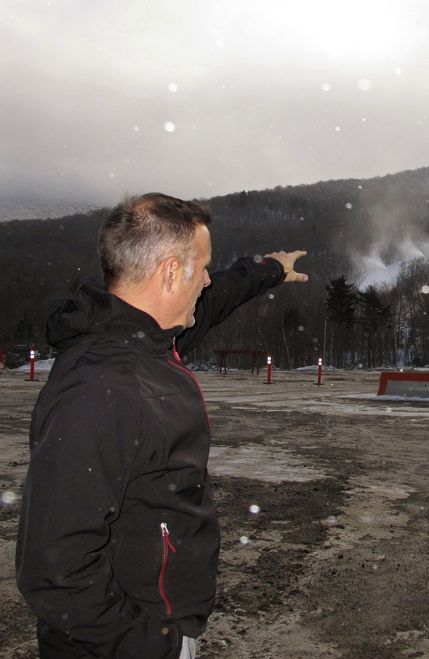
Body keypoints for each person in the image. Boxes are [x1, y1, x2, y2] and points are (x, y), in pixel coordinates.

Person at [16, 192, 308, 658]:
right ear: (171, 271)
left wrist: (268, 269)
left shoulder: (141, 341)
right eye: (202, 266)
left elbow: (213, 302)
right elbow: (54, 569)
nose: (208, 279)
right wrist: (153, 645)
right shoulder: (101, 387)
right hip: (128, 643)